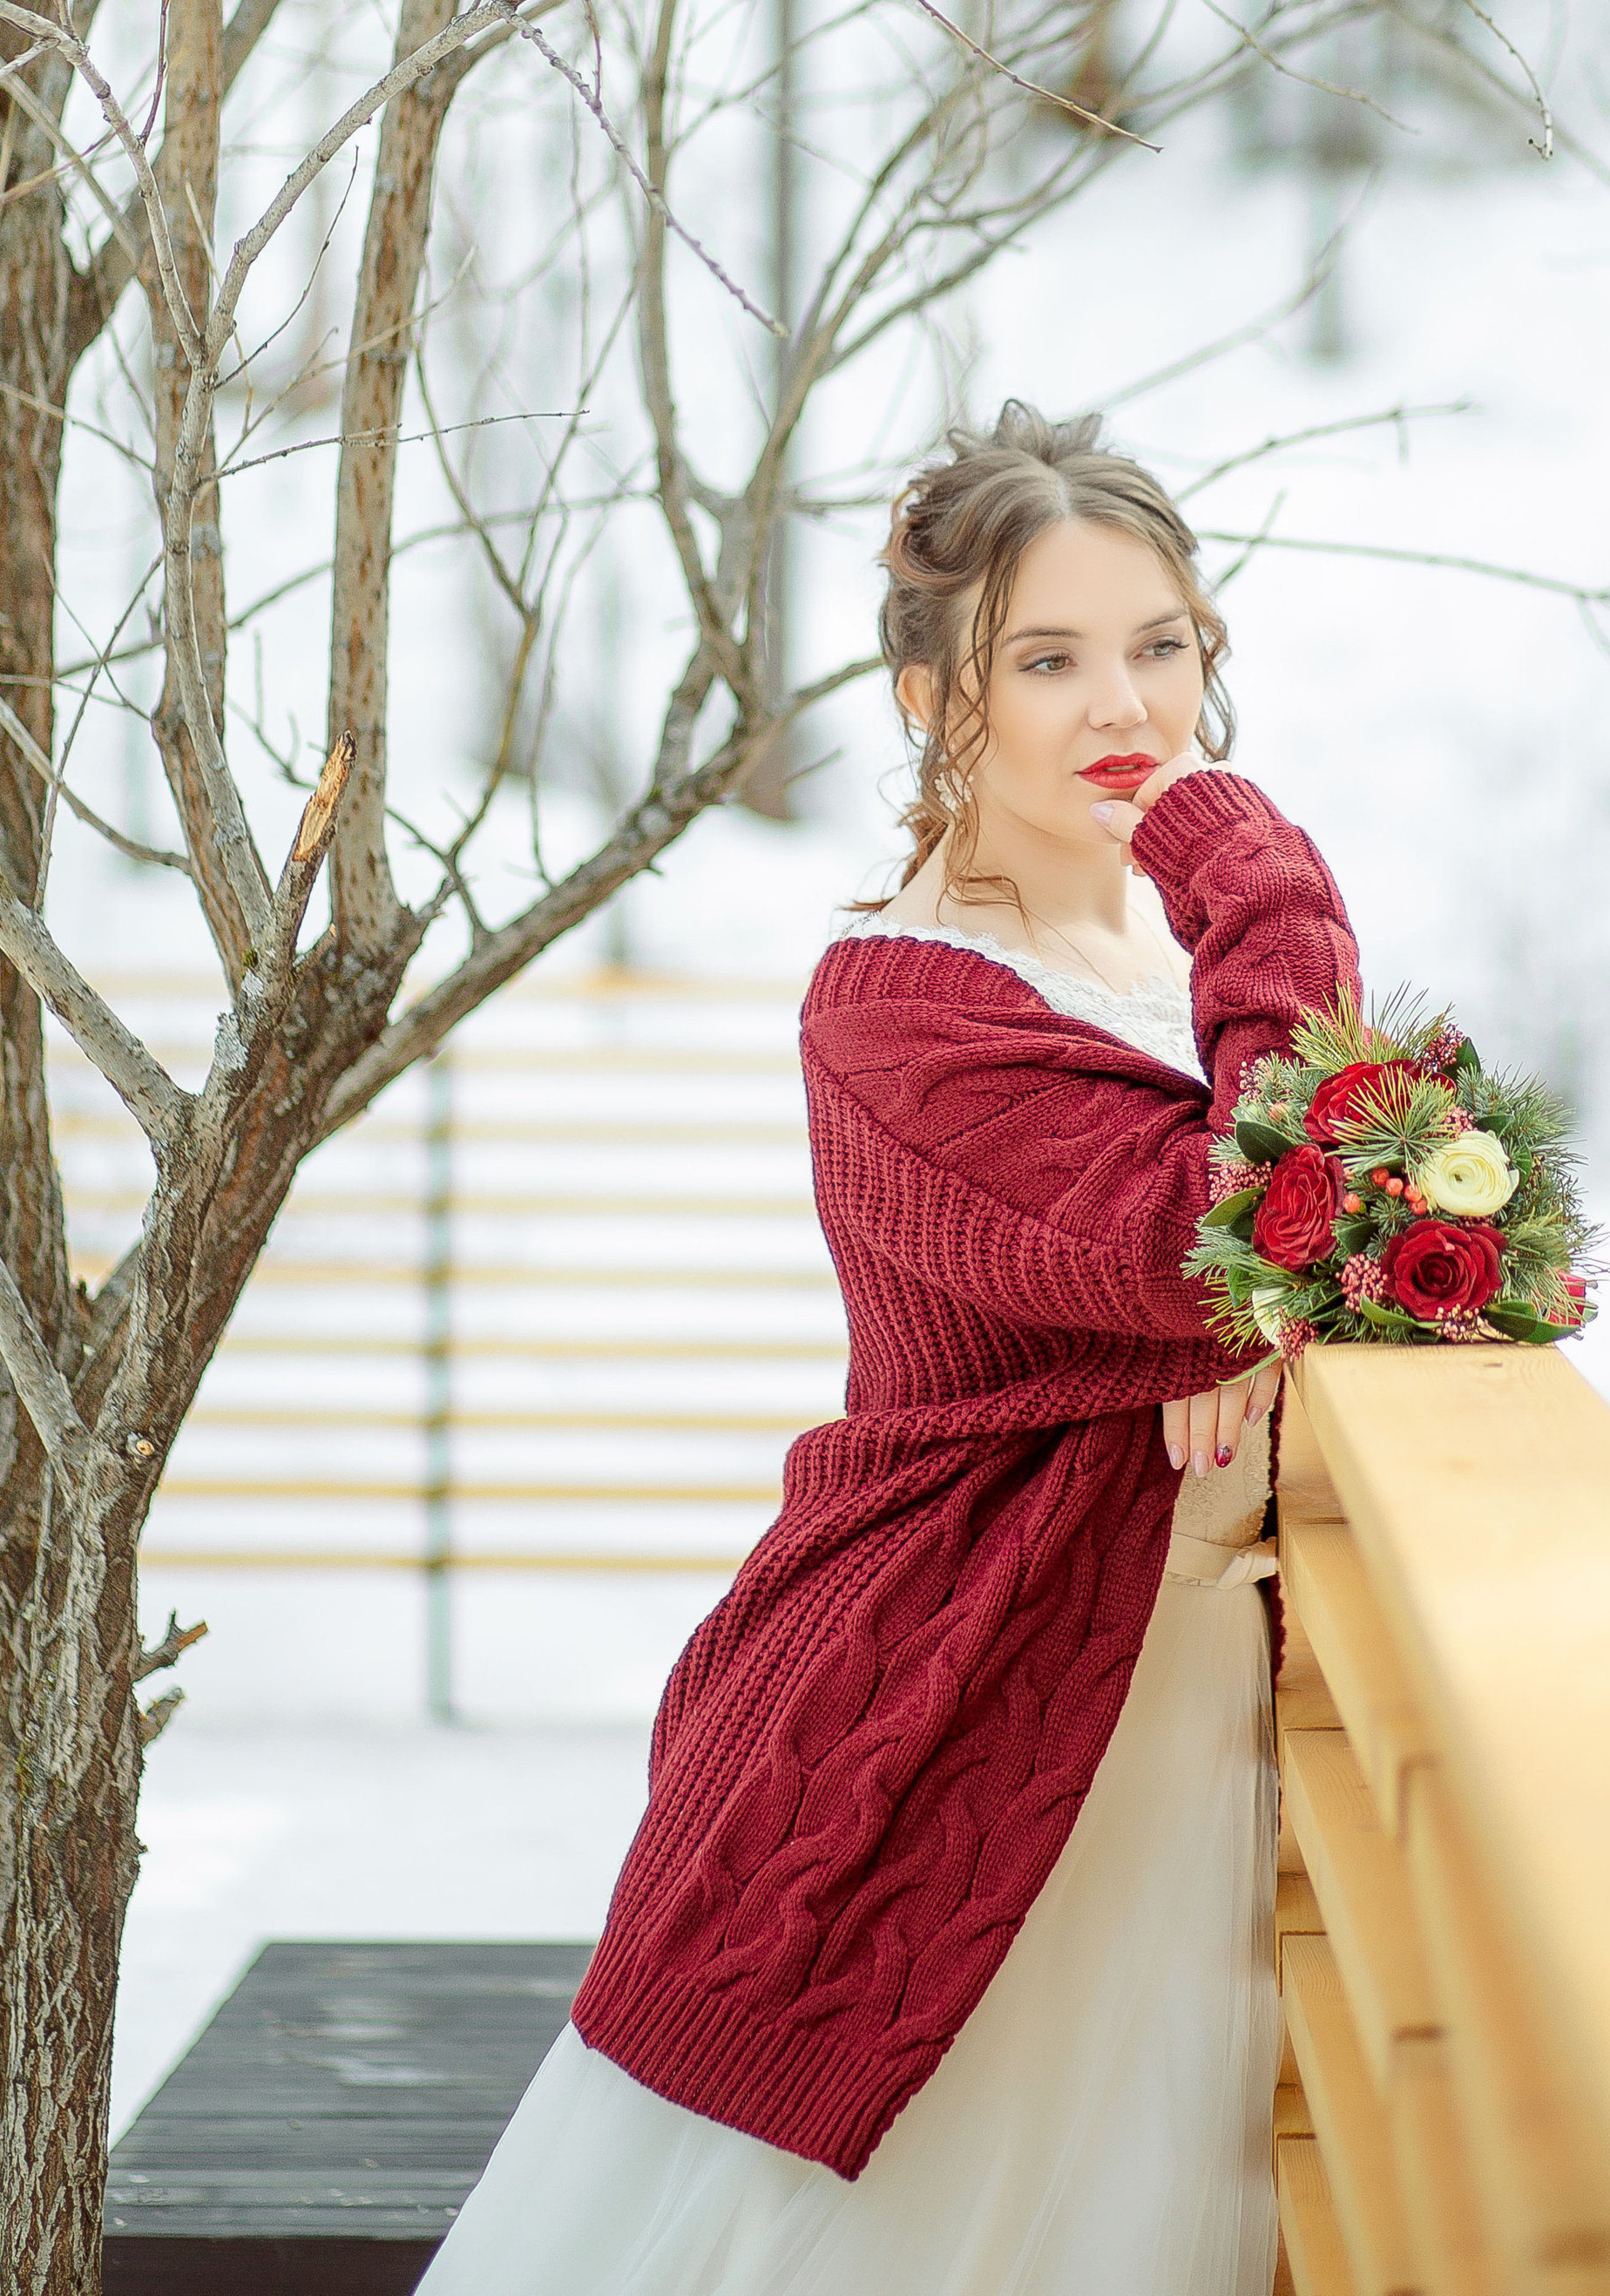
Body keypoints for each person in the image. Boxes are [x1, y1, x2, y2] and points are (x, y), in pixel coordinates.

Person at [421, 400, 1360, 2295]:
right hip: (957, 1702)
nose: (1126, 708)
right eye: (1049, 660)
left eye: (1159, 646)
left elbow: (1317, 1217)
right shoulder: (902, 1009)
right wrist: (1248, 866)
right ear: (936, 697)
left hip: (1168, 1701)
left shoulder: (1148, 972)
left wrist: (1261, 1328)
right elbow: (1255, 1219)